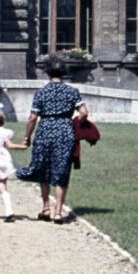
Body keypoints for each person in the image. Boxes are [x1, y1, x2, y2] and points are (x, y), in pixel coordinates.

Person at [15, 56, 89, 224]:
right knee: (62, 170)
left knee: (44, 169)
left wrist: (27, 137)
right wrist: (76, 122)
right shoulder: (72, 91)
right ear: (63, 72)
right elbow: (84, 112)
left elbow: (33, 117)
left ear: (47, 72)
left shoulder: (41, 92)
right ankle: (58, 212)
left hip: (45, 131)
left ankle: (46, 208)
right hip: (65, 132)